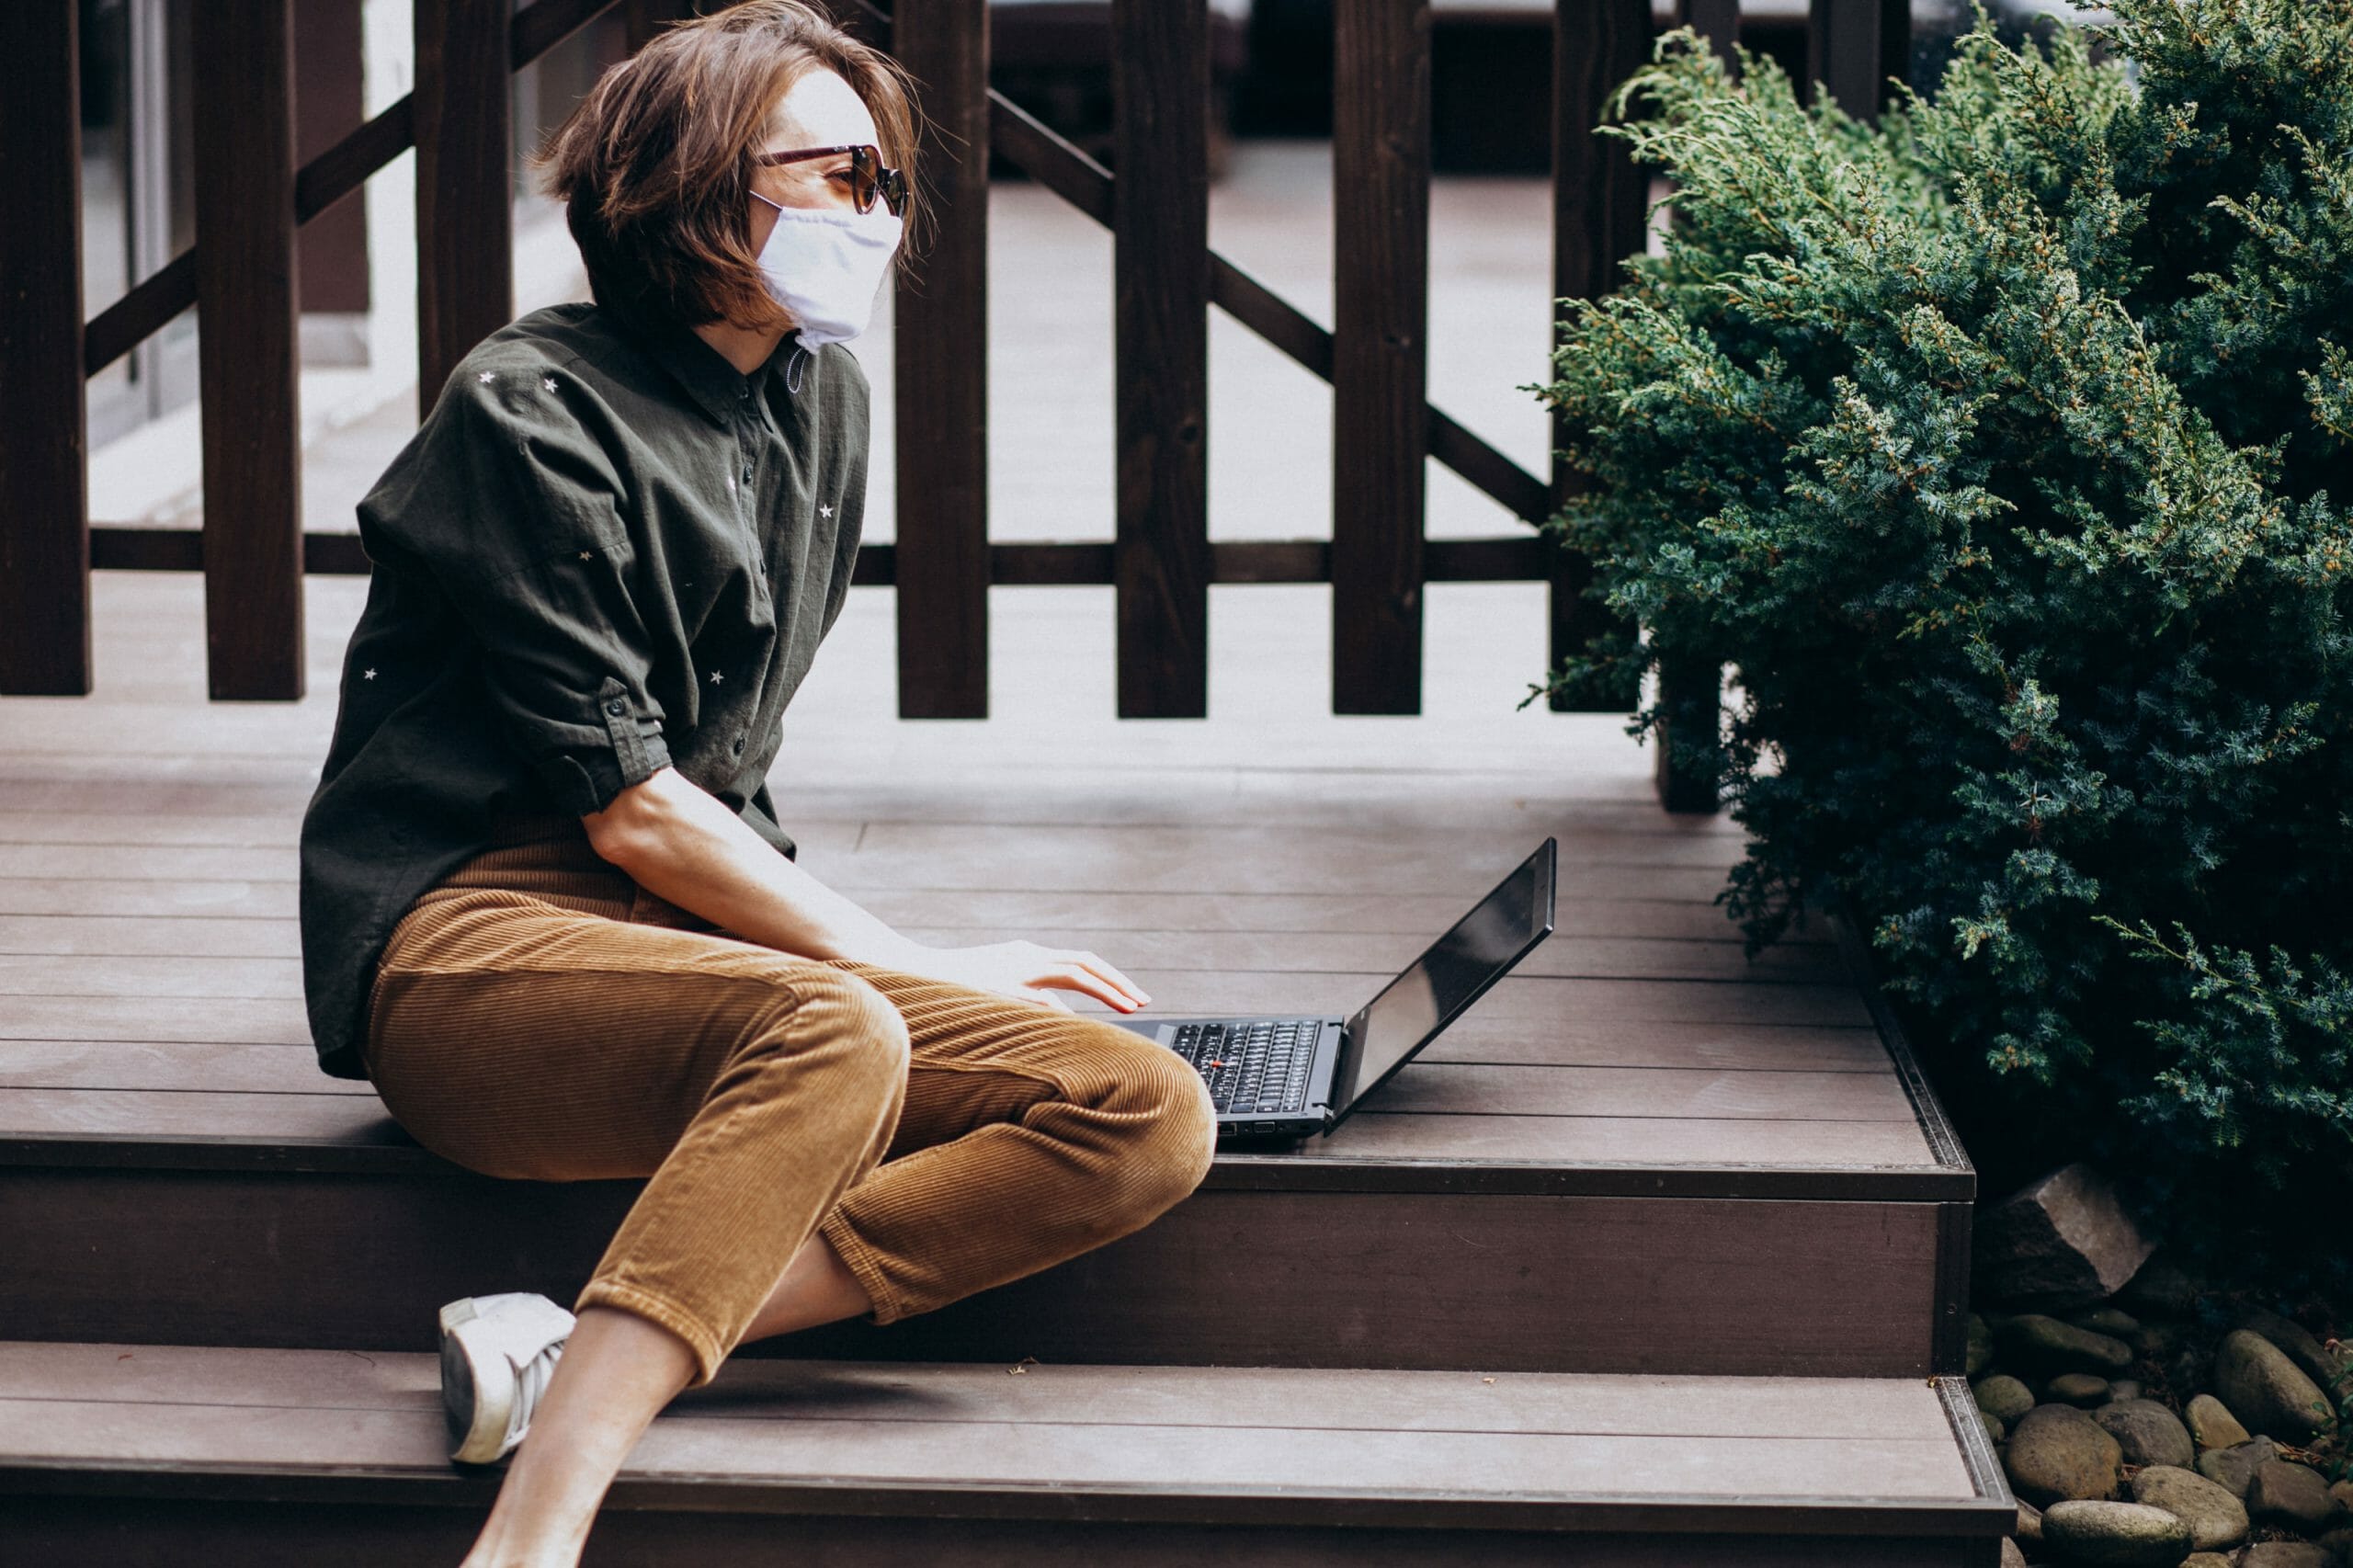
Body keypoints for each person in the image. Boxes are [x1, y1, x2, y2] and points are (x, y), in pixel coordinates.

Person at [292, 6, 1218, 1564]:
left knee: (1142, 1106)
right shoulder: (528, 409)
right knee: (839, 1022)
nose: (877, 210)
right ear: (696, 187)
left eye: (886, 178)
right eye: (836, 174)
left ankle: (563, 1344)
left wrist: (906, 973)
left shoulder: (817, 397)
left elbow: (712, 796)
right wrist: (922, 963)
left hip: (689, 943)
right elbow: (635, 806)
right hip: (474, 951)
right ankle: (531, 1533)